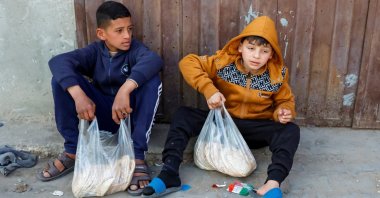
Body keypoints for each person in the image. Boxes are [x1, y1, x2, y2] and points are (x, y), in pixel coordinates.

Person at [142, 16, 300, 198]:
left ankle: (272, 184)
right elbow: (187, 63)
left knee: (291, 131)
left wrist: (283, 111)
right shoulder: (223, 63)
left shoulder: (276, 75)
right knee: (183, 115)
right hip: (221, 125)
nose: (256, 56)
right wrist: (209, 90)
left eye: (264, 51)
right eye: (251, 48)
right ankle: (169, 172)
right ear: (240, 47)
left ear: (272, 54)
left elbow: (285, 100)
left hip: (255, 130)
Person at [36, 1, 163, 196]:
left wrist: (125, 90)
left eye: (130, 29)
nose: (127, 35)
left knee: (152, 80)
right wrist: (78, 95)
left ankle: (137, 157)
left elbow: (154, 60)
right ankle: (72, 150)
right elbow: (58, 61)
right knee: (60, 80)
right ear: (101, 34)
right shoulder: (94, 51)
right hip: (101, 114)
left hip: (128, 118)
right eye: (119, 30)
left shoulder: (136, 50)